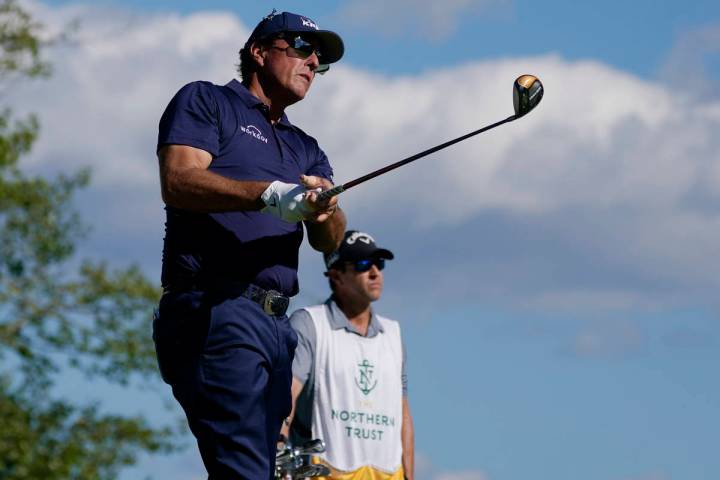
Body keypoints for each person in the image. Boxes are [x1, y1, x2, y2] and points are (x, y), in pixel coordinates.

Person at [151, 10, 347, 479]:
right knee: (246, 471)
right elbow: (178, 180)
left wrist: (325, 208)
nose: (313, 61)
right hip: (217, 307)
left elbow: (330, 241)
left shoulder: (306, 146)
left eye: (319, 56)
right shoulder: (209, 101)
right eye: (301, 46)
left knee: (264, 468)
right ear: (259, 52)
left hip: (277, 328)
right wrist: (268, 194)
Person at [285, 230, 415, 480]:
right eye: (363, 264)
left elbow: (403, 413)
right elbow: (285, 399)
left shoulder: (393, 333)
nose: (375, 272)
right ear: (336, 275)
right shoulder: (310, 323)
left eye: (379, 263)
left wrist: (410, 474)